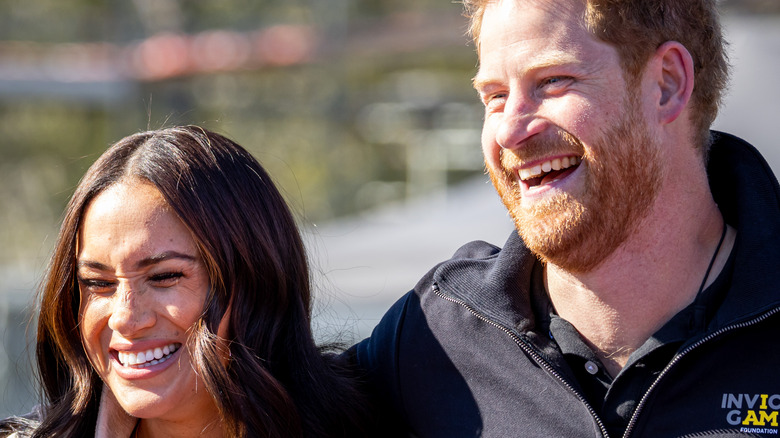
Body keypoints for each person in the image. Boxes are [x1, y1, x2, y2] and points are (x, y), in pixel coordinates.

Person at [349, 0, 780, 436]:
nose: (509, 131)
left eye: (553, 81)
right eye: (496, 97)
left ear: (667, 84)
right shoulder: (433, 335)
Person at [1, 126, 366, 437]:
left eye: (164, 277)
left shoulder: (374, 418)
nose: (125, 318)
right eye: (98, 283)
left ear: (257, 281)